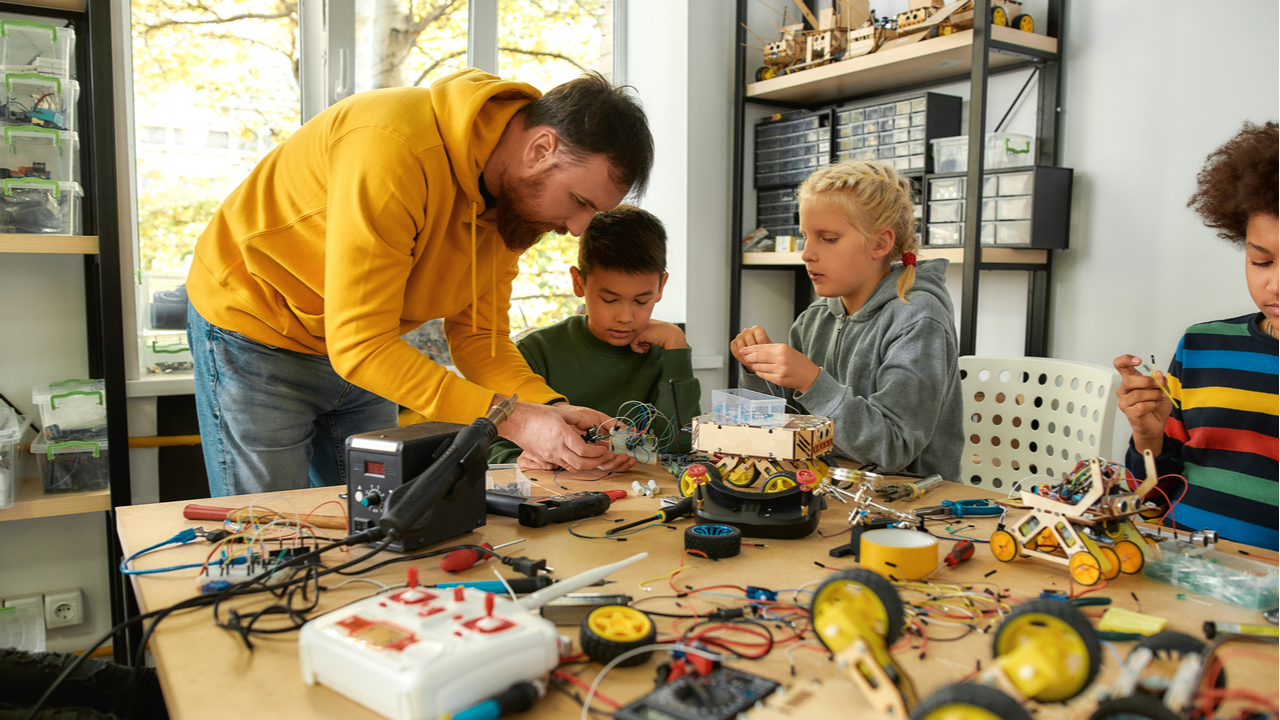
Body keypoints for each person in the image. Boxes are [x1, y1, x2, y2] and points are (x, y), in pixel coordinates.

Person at [185, 68, 654, 497]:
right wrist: (513, 420)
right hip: (256, 331)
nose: (577, 228)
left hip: (369, 351)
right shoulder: (393, 147)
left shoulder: (515, 203)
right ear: (540, 149)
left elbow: (480, 339)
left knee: (380, 516)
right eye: (578, 201)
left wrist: (549, 410)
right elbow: (361, 346)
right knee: (273, 532)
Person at [730, 161, 962, 481]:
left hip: (906, 503)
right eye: (805, 237)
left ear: (880, 243)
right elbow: (781, 433)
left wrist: (811, 382)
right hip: (828, 491)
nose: (807, 254)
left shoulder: (918, 320)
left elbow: (893, 450)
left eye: (828, 238)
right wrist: (757, 373)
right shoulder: (814, 319)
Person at [1115, 121, 1278, 550]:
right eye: (1261, 262)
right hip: (1175, 559)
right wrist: (1148, 439)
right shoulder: (1203, 346)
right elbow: (1149, 497)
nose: (1274, 285)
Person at [487, 206, 701, 469]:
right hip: (554, 495)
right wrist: (519, 459)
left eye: (641, 301)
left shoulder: (665, 352)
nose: (625, 317)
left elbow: (680, 446)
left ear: (661, 287)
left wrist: (677, 345)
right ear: (579, 283)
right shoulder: (535, 351)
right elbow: (491, 445)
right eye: (609, 299)